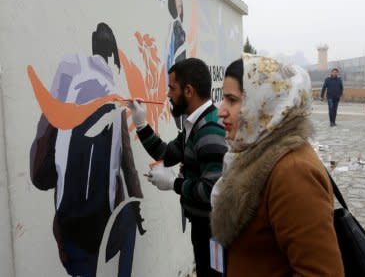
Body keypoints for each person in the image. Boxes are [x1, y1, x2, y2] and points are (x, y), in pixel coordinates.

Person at [210, 55, 344, 277]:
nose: (221, 110)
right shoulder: (252, 153)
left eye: (232, 100)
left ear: (264, 103)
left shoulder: (293, 172)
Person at [29, 23, 144, 277]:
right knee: (128, 225)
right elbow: (128, 165)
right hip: (103, 225)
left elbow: (42, 169)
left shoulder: (67, 80)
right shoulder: (115, 101)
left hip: (69, 229)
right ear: (113, 56)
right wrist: (138, 205)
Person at [128, 58, 227, 277]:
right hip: (203, 226)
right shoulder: (195, 124)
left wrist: (173, 183)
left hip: (214, 231)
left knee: (214, 274)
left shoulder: (209, 129)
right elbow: (167, 154)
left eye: (172, 88)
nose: (168, 95)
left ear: (188, 90)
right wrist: (142, 124)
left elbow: (211, 190)